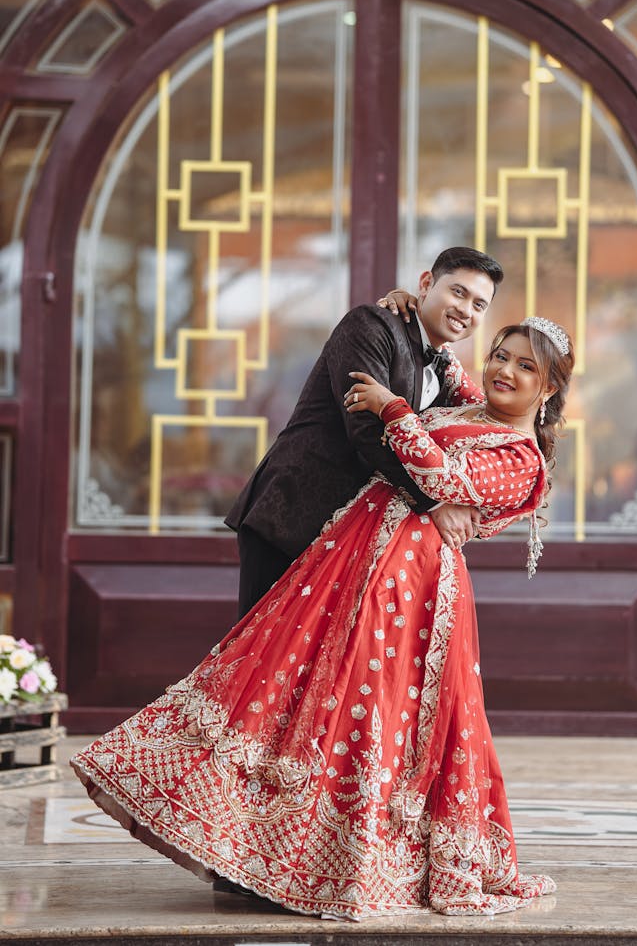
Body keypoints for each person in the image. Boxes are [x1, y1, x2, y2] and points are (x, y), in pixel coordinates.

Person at [72, 316, 574, 920]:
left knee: (360, 705)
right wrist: (409, 306)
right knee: (297, 685)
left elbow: (442, 477)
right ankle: (259, 848)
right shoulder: (477, 409)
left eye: (526, 367)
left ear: (547, 390)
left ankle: (343, 860)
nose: (505, 371)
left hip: (408, 588)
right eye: (502, 354)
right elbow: (450, 369)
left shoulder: (521, 458)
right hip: (353, 556)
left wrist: (392, 409)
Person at [225, 246, 503, 617]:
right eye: (458, 292)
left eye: (479, 305)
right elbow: (367, 429)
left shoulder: (446, 370)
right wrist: (435, 503)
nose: (466, 310)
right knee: (257, 661)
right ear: (425, 283)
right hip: (294, 517)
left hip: (350, 539)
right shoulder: (371, 324)